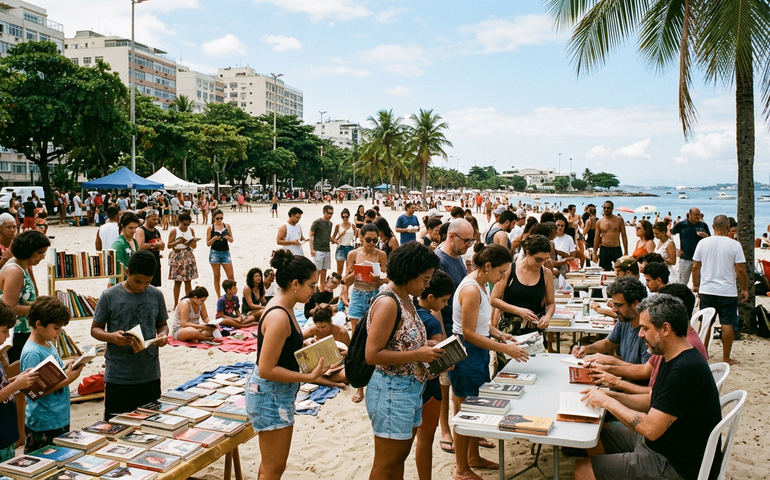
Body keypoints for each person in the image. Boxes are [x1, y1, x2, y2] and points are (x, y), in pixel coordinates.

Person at [574, 294, 722, 480]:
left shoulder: (683, 371)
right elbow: (652, 400)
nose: (640, 334)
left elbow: (650, 429)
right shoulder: (675, 355)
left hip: (676, 464)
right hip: (664, 443)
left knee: (582, 470)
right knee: (595, 439)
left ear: (666, 329)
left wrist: (608, 403)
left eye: (645, 328)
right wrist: (608, 395)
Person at [245, 249, 327, 480]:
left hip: (274, 394)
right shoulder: (280, 315)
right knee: (273, 469)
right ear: (295, 284)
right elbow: (266, 368)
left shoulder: (283, 306)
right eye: (311, 285)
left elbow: (280, 350)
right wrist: (309, 378)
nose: (315, 290)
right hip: (271, 395)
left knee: (269, 465)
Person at [365, 242, 443, 480]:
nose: (427, 285)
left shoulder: (406, 298)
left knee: (399, 459)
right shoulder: (389, 303)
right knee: (385, 464)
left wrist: (434, 350)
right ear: (409, 273)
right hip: (391, 389)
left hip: (409, 389)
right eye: (425, 279)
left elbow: (404, 342)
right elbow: (372, 354)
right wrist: (418, 354)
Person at [451, 244, 530, 480]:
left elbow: (481, 324)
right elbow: (468, 332)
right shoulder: (472, 289)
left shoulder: (482, 283)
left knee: (476, 406)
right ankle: (461, 468)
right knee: (465, 410)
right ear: (487, 267)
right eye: (501, 272)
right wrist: (504, 348)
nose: (504, 277)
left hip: (478, 351)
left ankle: (473, 457)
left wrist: (499, 334)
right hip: (467, 353)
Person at [588, 283, 708, 394]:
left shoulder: (683, 356)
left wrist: (614, 387)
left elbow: (652, 398)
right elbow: (646, 371)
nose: (640, 334)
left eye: (645, 328)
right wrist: (607, 370)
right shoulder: (669, 343)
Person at [90, 250, 169, 420]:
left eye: (147, 282)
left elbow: (162, 325)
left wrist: (163, 336)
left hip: (149, 374)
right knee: (116, 425)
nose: (141, 287)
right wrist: (112, 337)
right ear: (127, 273)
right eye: (137, 281)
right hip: (119, 376)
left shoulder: (156, 295)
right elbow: (95, 329)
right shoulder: (109, 296)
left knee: (151, 424)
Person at [21, 297, 85, 452]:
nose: (60, 332)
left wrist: (69, 366)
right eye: (56, 328)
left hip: (59, 418)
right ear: (39, 324)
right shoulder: (32, 353)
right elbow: (33, 391)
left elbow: (52, 373)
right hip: (43, 423)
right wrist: (67, 379)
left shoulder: (48, 343)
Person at [413, 270, 455, 480]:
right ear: (430, 297)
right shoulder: (432, 322)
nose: (446, 306)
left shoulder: (407, 312)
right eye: (444, 301)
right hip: (429, 388)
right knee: (425, 440)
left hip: (408, 386)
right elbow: (435, 362)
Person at [692, 214, 748, 365]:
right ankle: (726, 357)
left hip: (707, 289)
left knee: (706, 323)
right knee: (727, 323)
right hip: (727, 290)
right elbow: (741, 269)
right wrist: (745, 288)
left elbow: (696, 266)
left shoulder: (703, 243)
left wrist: (696, 285)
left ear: (712, 226)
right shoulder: (734, 245)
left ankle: (703, 354)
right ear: (728, 227)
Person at [344, 224, 387, 403]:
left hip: (374, 294)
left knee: (375, 338)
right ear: (361, 237)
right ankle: (359, 386)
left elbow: (386, 278)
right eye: (368, 239)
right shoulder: (353, 254)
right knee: (357, 339)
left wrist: (379, 279)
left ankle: (374, 380)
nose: (371, 243)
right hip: (358, 294)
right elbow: (345, 280)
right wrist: (354, 274)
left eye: (374, 240)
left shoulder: (381, 255)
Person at [491, 234, 555, 345]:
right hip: (510, 331)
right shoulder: (510, 270)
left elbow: (551, 303)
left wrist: (547, 316)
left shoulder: (546, 273)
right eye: (538, 259)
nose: (541, 263)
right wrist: (518, 311)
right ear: (528, 253)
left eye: (545, 259)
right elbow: (494, 299)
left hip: (535, 332)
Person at [573, 276, 651, 367]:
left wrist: (611, 361)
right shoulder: (624, 320)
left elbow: (645, 371)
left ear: (635, 304)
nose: (614, 310)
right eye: (613, 304)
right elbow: (607, 343)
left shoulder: (648, 331)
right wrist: (587, 349)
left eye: (618, 305)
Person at [0, 230, 49, 363]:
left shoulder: (22, 266)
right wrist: (40, 308)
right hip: (16, 332)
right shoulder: (15, 271)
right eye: (40, 253)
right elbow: (9, 307)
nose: (42, 257)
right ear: (28, 250)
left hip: (22, 330)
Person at [0, 302, 39, 462]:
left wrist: (18, 378)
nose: (8, 336)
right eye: (4, 331)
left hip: (7, 433)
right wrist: (16, 385)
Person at [301, 303, 350, 389]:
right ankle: (332, 383)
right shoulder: (313, 330)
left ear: (330, 321)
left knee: (347, 374)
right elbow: (297, 338)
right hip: (318, 366)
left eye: (323, 327)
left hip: (336, 367)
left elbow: (351, 353)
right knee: (304, 371)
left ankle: (319, 380)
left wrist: (345, 353)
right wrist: (306, 343)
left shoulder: (341, 332)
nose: (320, 330)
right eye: (318, 327)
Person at [167, 212, 199, 308]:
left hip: (188, 255)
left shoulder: (191, 230)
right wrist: (178, 241)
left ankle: (189, 302)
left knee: (188, 281)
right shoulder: (175, 231)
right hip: (178, 255)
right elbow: (168, 245)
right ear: (179, 222)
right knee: (177, 281)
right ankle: (176, 303)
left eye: (188, 224)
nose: (186, 226)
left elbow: (194, 246)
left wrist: (192, 243)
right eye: (184, 224)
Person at [671, 207, 710, 285]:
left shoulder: (703, 225)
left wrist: (704, 235)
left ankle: (699, 296)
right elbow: (670, 235)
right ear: (689, 215)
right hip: (685, 258)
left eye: (699, 215)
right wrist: (676, 249)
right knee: (683, 282)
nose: (698, 217)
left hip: (700, 258)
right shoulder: (682, 225)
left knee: (701, 282)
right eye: (696, 215)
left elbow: (710, 240)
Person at [206, 209, 234, 299]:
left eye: (221, 218)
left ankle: (231, 294)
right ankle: (219, 296)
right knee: (217, 276)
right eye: (217, 218)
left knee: (230, 276)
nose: (219, 220)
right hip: (215, 252)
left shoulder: (227, 226)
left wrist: (226, 237)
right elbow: (208, 243)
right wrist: (214, 238)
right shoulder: (211, 228)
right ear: (214, 218)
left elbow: (232, 240)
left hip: (225, 251)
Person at [593, 201, 628, 271]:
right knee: (604, 270)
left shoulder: (619, 220)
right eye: (605, 208)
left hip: (616, 248)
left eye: (608, 208)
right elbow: (596, 238)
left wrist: (626, 251)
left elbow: (624, 235)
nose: (606, 210)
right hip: (604, 249)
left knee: (620, 270)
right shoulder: (599, 222)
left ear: (612, 209)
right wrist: (595, 253)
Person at [136, 210, 165, 288]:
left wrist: (161, 245)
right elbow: (140, 246)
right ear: (147, 218)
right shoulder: (141, 230)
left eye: (157, 219)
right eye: (153, 219)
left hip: (155, 262)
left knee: (154, 287)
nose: (156, 222)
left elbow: (161, 245)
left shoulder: (156, 231)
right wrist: (154, 245)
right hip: (144, 263)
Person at [310, 205, 336, 289]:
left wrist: (334, 240)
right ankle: (313, 288)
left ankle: (321, 289)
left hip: (327, 250)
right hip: (318, 250)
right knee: (317, 271)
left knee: (324, 271)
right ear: (324, 212)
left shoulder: (330, 224)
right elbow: (311, 235)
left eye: (332, 213)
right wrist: (312, 249)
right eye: (329, 213)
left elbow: (328, 236)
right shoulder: (317, 222)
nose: (330, 215)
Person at [111, 212, 141, 284]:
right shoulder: (119, 244)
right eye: (130, 228)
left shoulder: (134, 241)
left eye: (135, 228)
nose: (134, 231)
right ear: (122, 226)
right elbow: (116, 267)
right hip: (122, 284)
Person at [332, 208, 357, 277]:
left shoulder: (353, 226)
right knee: (339, 272)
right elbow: (333, 239)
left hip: (350, 247)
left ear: (349, 217)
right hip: (341, 248)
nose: (345, 219)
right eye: (343, 217)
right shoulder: (338, 226)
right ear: (341, 217)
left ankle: (345, 286)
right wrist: (338, 238)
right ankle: (339, 285)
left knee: (348, 271)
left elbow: (356, 237)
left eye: (346, 217)